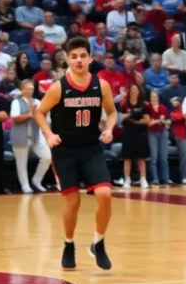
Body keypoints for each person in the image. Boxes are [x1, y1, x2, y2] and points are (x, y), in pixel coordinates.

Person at [34, 37, 118, 271]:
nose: (79, 60)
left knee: (105, 195)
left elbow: (111, 112)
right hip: (65, 151)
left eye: (82, 55)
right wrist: (49, 135)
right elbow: (39, 113)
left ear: (90, 58)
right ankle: (68, 244)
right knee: (73, 201)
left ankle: (98, 243)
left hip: (91, 148)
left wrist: (109, 128)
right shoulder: (58, 87)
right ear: (67, 61)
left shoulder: (101, 85)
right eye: (74, 56)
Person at [10, 80, 52, 194]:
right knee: (22, 163)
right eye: (27, 88)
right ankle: (25, 186)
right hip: (20, 135)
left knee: (47, 156)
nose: (29, 91)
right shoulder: (16, 102)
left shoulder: (37, 102)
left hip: (36, 134)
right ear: (21, 90)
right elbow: (15, 118)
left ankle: (36, 180)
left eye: (31, 89)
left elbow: (44, 117)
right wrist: (29, 114)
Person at [120, 83, 151, 188]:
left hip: (140, 133)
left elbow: (147, 120)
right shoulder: (125, 104)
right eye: (132, 89)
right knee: (127, 158)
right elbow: (120, 118)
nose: (134, 91)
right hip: (128, 133)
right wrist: (130, 115)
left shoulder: (143, 105)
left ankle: (143, 179)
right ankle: (127, 179)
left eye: (136, 89)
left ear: (139, 91)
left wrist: (137, 121)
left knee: (141, 157)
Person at [146, 90, 171, 186]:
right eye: (152, 96)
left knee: (164, 157)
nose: (154, 98)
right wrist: (158, 121)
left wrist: (163, 122)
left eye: (155, 96)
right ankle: (155, 179)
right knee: (154, 157)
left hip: (162, 132)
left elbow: (168, 122)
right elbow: (149, 123)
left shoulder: (163, 108)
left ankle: (165, 178)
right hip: (152, 133)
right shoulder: (148, 108)